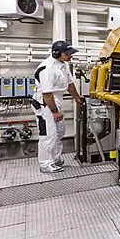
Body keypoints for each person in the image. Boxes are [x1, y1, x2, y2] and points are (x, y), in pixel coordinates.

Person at [30, 41, 84, 173]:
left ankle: (55, 159)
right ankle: (46, 164)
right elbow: (47, 93)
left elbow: (70, 84)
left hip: (56, 100)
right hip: (45, 103)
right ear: (57, 53)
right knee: (48, 134)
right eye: (68, 54)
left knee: (59, 132)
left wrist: (76, 97)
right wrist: (54, 111)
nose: (71, 56)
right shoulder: (47, 68)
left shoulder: (63, 65)